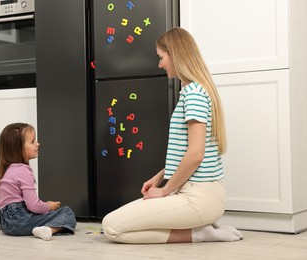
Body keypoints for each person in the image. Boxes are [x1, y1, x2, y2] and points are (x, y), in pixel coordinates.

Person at [102, 27, 244, 244]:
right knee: (115, 224)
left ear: (175, 55)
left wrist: (165, 191)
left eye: (161, 57)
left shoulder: (194, 94)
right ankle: (201, 229)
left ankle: (199, 234)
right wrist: (159, 177)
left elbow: (195, 155)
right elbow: (188, 152)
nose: (159, 64)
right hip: (198, 193)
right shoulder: (194, 90)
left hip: (199, 197)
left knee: (112, 227)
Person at [0, 123, 76, 241]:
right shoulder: (23, 171)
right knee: (66, 212)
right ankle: (48, 230)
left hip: (4, 221)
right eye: (32, 142)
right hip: (19, 223)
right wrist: (49, 206)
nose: (37, 144)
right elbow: (33, 206)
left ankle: (4, 225)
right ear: (18, 148)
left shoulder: (6, 169)